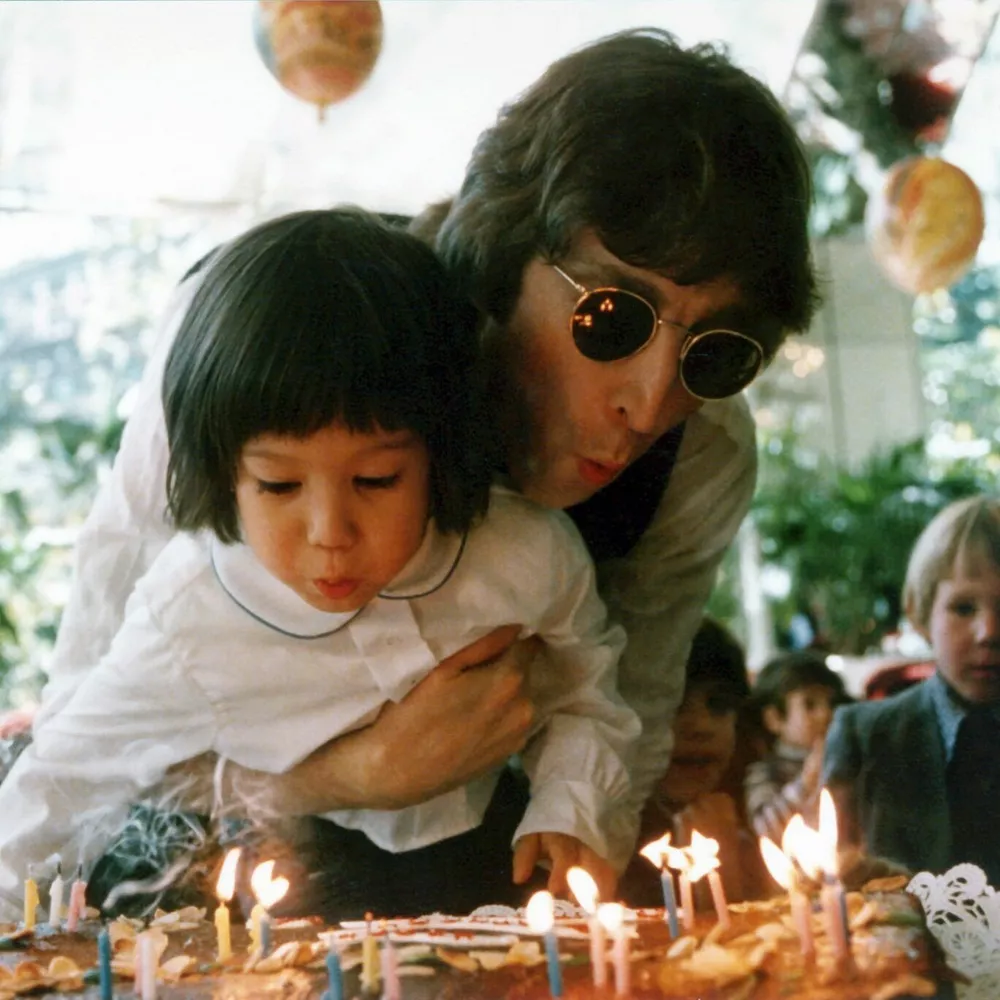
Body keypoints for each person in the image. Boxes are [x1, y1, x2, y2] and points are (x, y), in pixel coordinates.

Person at [15, 29, 819, 881]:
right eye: (612, 317)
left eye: (716, 353)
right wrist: (345, 777)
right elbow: (85, 751)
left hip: (487, 849)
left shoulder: (701, 455)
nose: (652, 404)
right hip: (214, 862)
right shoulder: (254, 348)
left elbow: (627, 706)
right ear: (505, 252)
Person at [0, 209, 640, 922]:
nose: (330, 533)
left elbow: (587, 694)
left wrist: (571, 804)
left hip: (484, 861)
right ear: (223, 473)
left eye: (376, 481)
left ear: (442, 451)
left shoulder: (527, 555)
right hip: (274, 874)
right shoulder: (188, 615)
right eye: (279, 486)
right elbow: (62, 779)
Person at [823, 495, 1000, 885]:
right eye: (964, 608)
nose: (989, 632)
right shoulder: (865, 736)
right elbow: (831, 879)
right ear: (919, 613)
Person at [618, 617, 768, 907]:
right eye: (674, 705)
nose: (700, 726)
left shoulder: (750, 818)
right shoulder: (602, 841)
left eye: (719, 705)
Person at [743, 651, 850, 843]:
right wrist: (806, 783)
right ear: (774, 718)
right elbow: (765, 829)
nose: (825, 714)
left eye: (832, 704)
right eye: (810, 705)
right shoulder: (766, 772)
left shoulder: (845, 762)